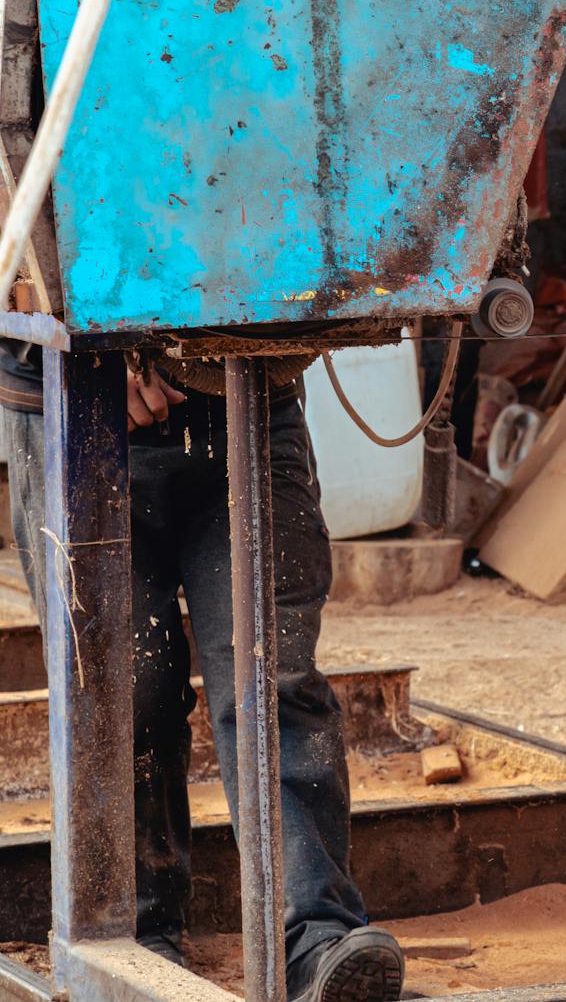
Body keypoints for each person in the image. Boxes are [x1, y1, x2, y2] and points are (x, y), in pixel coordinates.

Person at [0, 346, 404, 1002]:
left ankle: (315, 938)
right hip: (77, 412)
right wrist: (107, 349)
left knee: (273, 678)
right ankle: (135, 932)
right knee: (122, 692)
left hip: (246, 391)